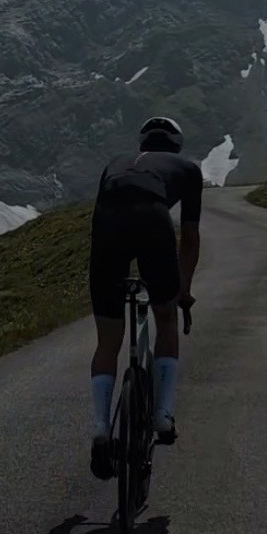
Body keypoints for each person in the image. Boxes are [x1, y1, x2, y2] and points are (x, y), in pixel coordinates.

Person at [87, 115, 203, 480]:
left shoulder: (115, 163)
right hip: (153, 221)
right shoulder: (187, 168)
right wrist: (182, 290)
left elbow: (97, 224)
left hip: (107, 230)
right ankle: (163, 416)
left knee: (107, 341)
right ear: (177, 145)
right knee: (164, 317)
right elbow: (190, 235)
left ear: (142, 144)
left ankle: (102, 427)